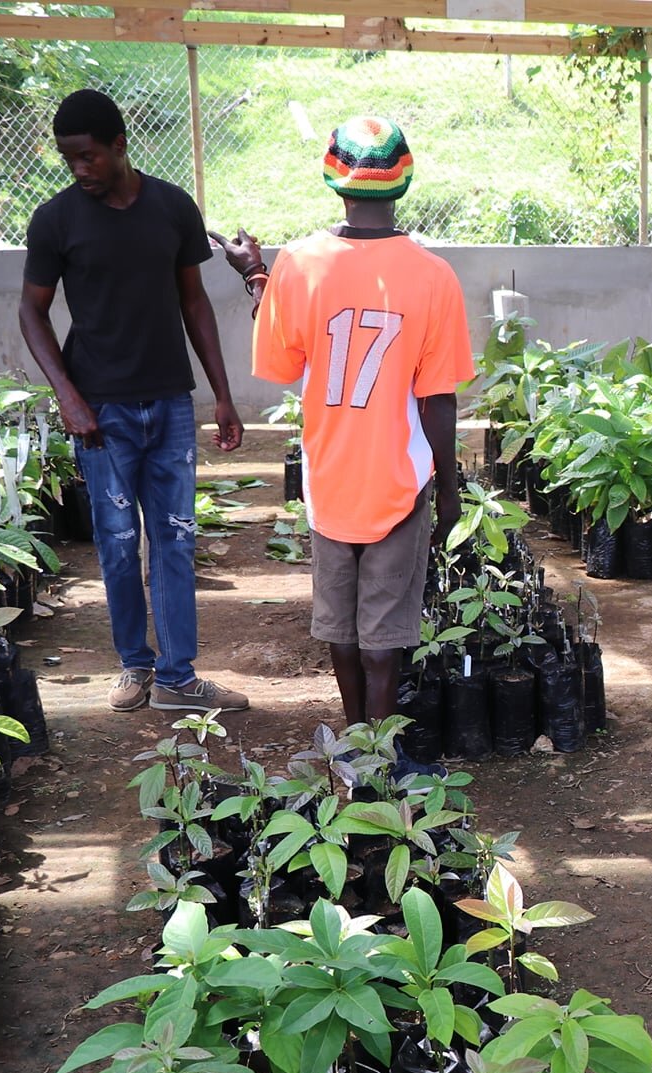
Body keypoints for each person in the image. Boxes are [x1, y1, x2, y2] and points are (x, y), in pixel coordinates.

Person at [210, 115, 472, 750]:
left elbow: (287, 360)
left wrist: (257, 276)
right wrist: (450, 491)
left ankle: (355, 752)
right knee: (387, 642)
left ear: (334, 179)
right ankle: (379, 767)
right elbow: (438, 401)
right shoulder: (434, 276)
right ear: (404, 181)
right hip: (400, 482)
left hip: (329, 482)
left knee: (343, 633)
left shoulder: (300, 264)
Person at [17, 88, 251, 715]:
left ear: (120, 145)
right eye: (69, 160)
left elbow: (194, 302)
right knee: (117, 541)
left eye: (88, 157)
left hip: (170, 404)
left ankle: (177, 677)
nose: (80, 170)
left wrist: (221, 396)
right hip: (100, 414)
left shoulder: (172, 207)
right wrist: (67, 396)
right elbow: (32, 313)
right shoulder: (56, 220)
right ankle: (133, 665)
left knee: (174, 538)